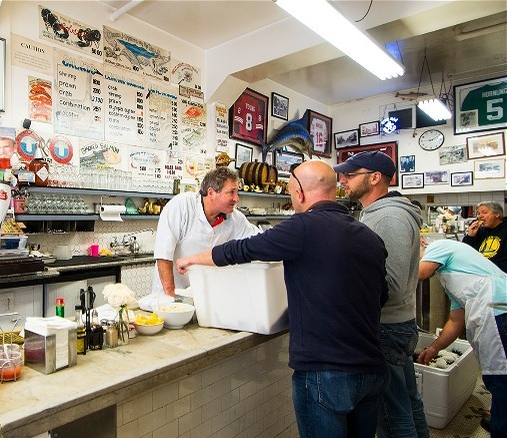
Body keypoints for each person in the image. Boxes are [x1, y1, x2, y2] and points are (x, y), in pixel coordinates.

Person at [177, 161, 389, 437]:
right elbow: (381, 296)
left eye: (290, 191)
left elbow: (243, 250)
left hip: (324, 373)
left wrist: (192, 259)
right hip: (372, 371)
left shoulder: (302, 228)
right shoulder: (370, 238)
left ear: (299, 193)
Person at [334, 151, 428, 437]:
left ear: (374, 178)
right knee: (409, 405)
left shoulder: (389, 217)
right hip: (392, 326)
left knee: (391, 417)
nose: (343, 180)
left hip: (384, 328)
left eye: (350, 175)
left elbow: (392, 283)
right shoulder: (377, 213)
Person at [417, 239, 506, 436]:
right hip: (495, 310)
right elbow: (456, 322)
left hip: (498, 309)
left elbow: (419, 273)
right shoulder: (452, 277)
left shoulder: (438, 246)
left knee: (502, 377)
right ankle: (500, 418)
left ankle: (502, 426)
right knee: (497, 378)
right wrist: (434, 348)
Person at [152, 167, 260, 297]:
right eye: (231, 192)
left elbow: (259, 241)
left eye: (237, 192)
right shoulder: (181, 206)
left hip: (204, 295)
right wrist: (169, 296)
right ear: (211, 193)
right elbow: (164, 253)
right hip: (170, 291)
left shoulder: (235, 219)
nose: (236, 199)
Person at [462, 201, 506, 272]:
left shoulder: (504, 230)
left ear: (497, 214)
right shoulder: (480, 231)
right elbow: (465, 252)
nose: (480, 216)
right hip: (480, 273)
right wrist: (470, 236)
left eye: (485, 212)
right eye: (479, 213)